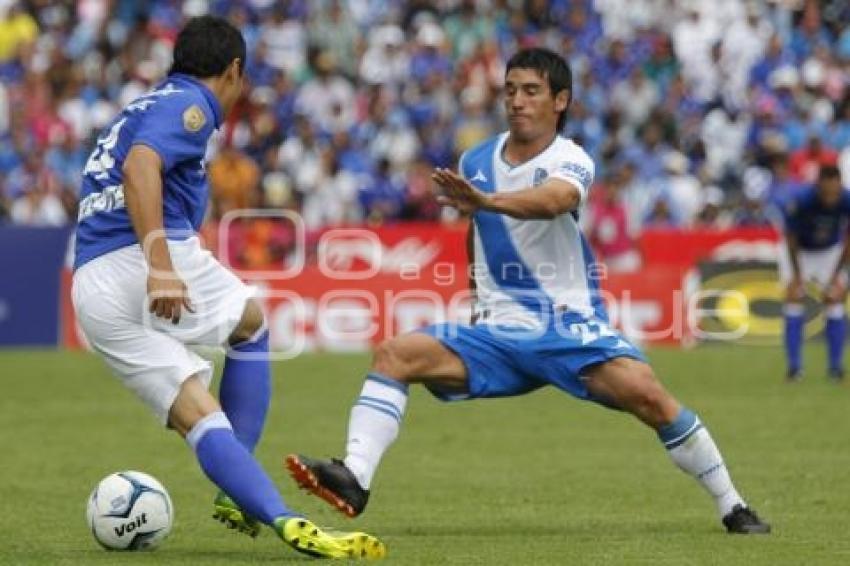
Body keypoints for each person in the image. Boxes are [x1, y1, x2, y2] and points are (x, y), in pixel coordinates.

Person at [286, 48, 770, 535]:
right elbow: (477, 229)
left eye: (531, 91)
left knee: (650, 397)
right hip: (499, 330)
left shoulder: (571, 159)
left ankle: (733, 505)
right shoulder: (476, 159)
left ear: (560, 100)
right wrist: (478, 295)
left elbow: (554, 201)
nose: (517, 100)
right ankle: (355, 478)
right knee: (394, 354)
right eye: (511, 90)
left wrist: (488, 201)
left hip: (565, 324)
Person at [70, 16, 385, 560]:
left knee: (199, 415)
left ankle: (280, 517)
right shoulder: (188, 104)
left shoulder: (142, 106)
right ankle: (237, 496)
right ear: (234, 70)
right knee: (253, 323)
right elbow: (141, 168)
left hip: (92, 285)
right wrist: (160, 265)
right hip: (139, 255)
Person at [780, 165, 850, 382]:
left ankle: (835, 369)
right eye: (826, 192)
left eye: (834, 192)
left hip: (830, 252)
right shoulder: (802, 200)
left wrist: (838, 275)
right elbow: (790, 239)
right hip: (799, 252)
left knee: (835, 301)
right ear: (818, 186)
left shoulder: (847, 199)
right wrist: (797, 275)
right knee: (794, 298)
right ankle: (794, 369)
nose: (830, 198)